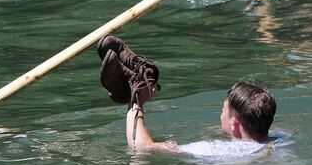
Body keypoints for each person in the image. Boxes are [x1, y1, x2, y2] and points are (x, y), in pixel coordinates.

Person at [97, 35, 278, 157]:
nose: (220, 113)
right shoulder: (280, 140)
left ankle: (133, 87)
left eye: (223, 110)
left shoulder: (213, 150)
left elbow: (142, 147)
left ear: (234, 123)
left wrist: (137, 101)